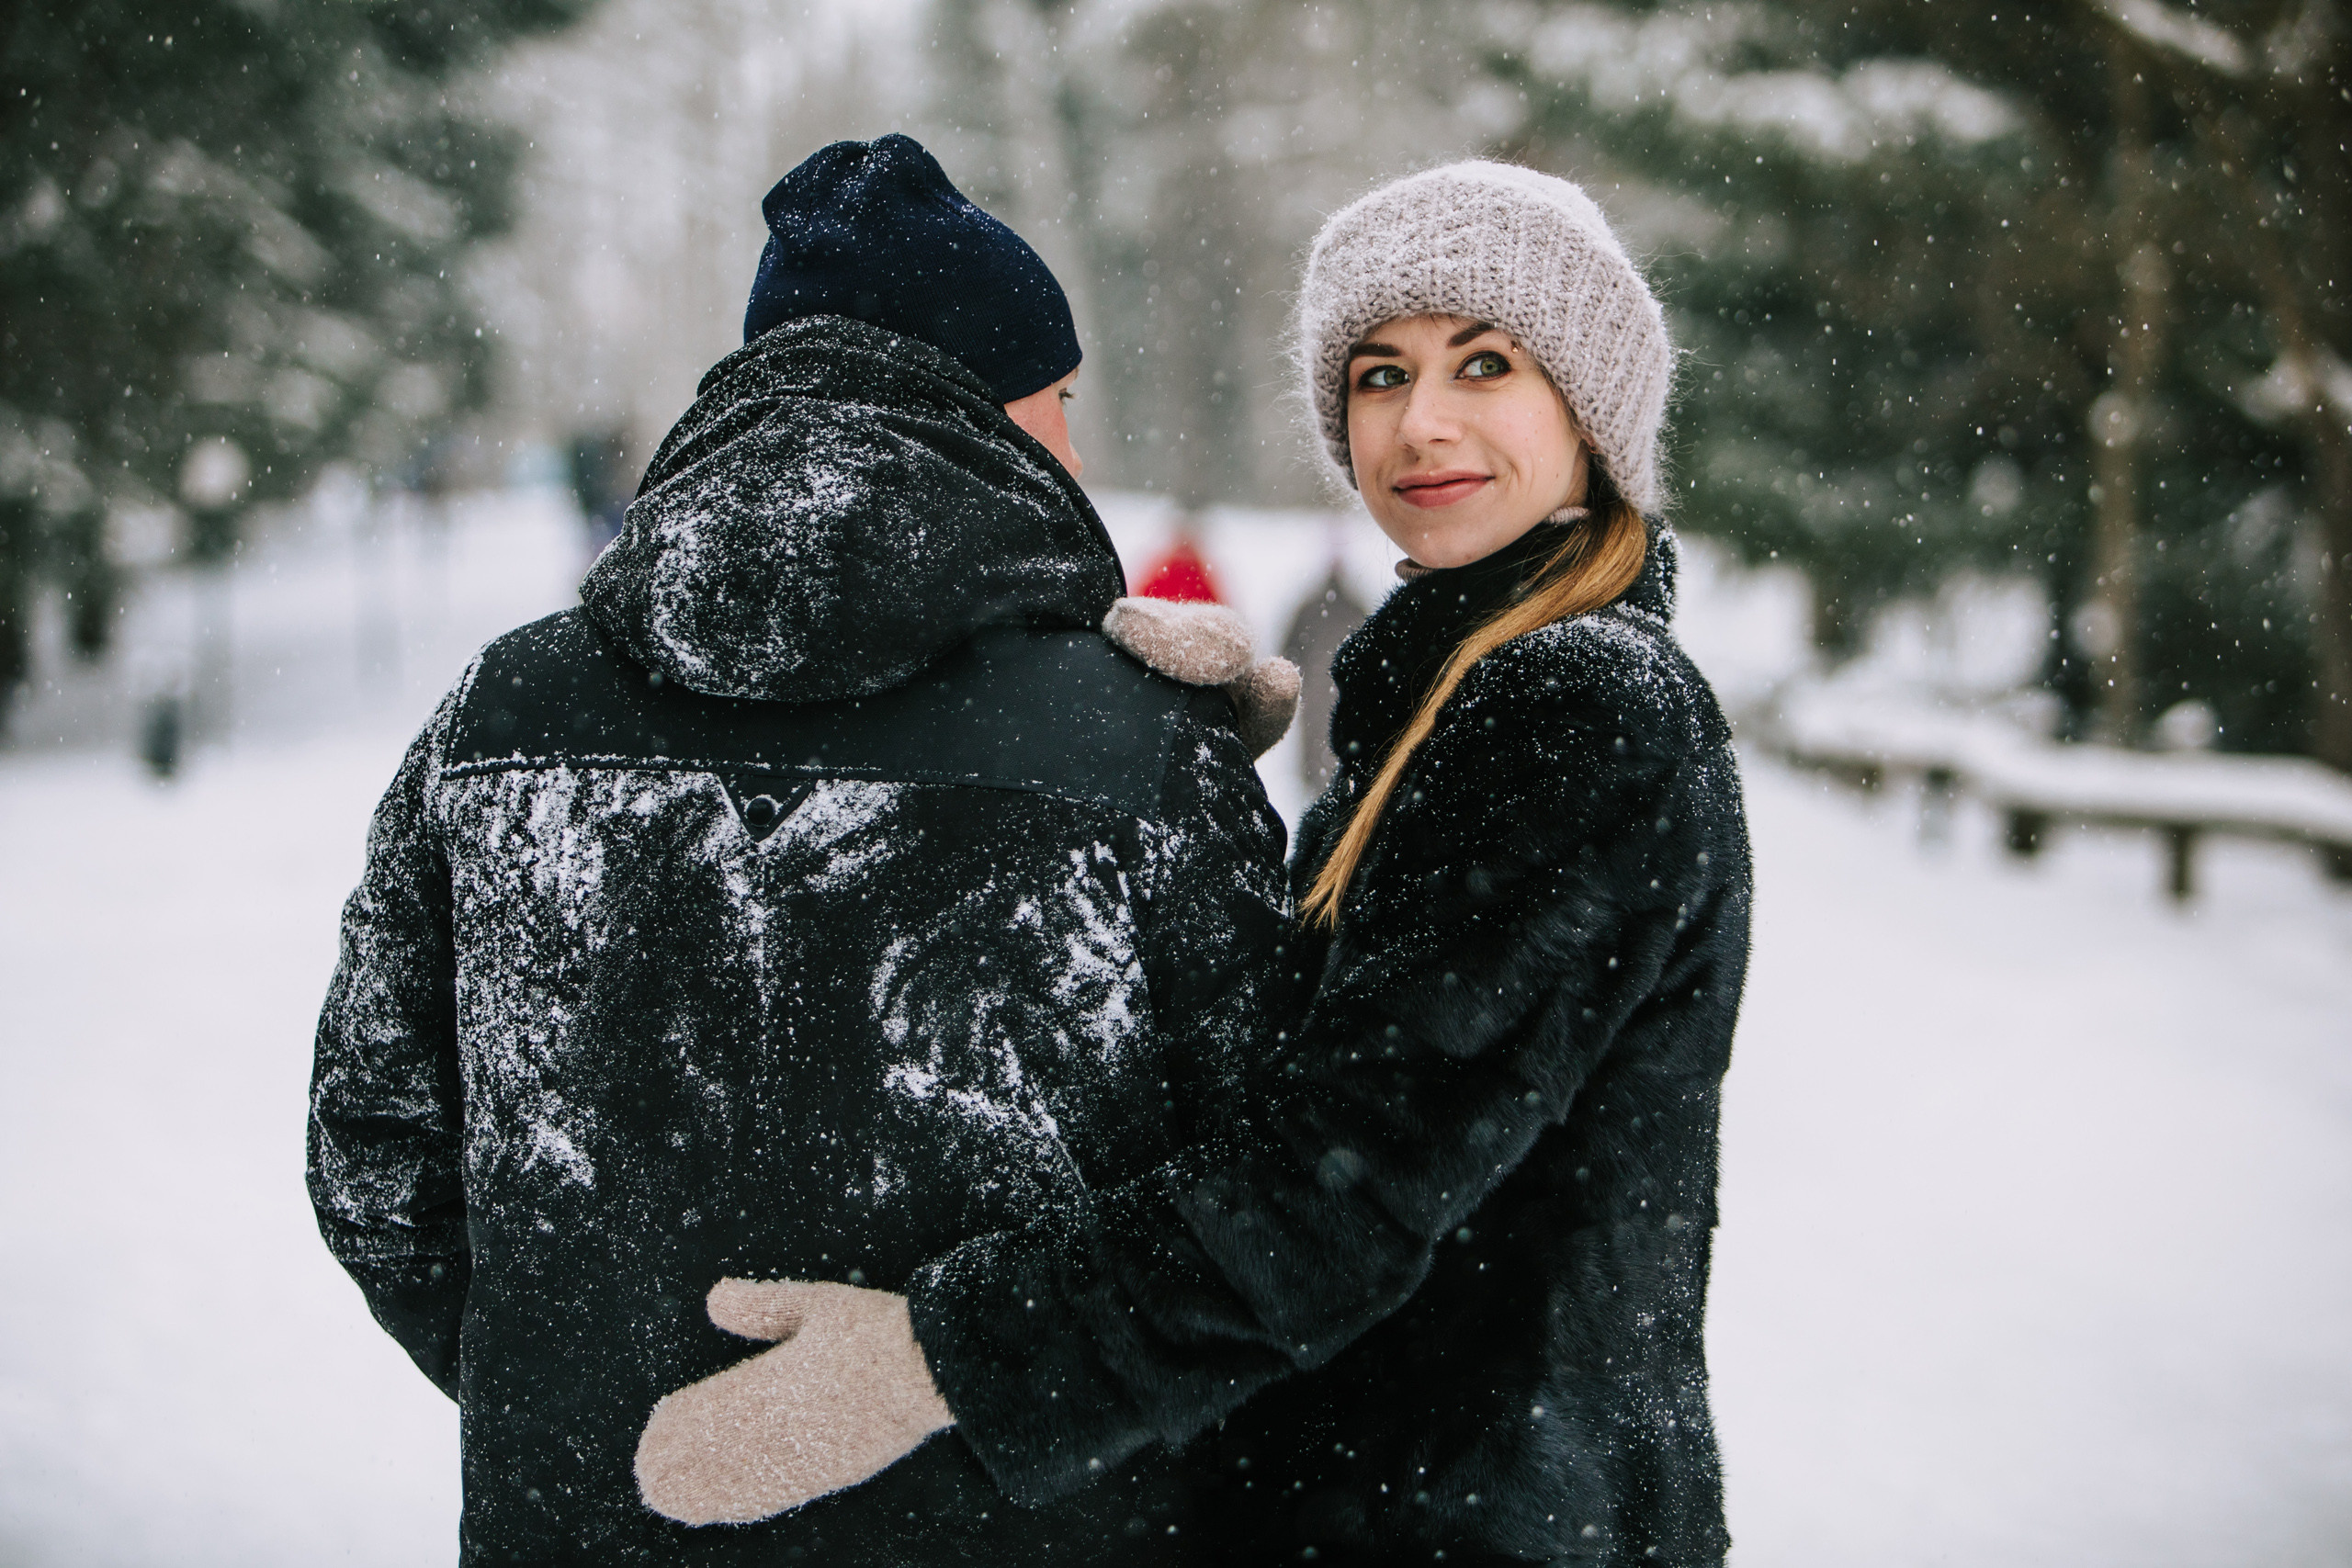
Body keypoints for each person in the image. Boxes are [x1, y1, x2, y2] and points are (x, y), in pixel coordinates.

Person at [654, 161, 1754, 1568]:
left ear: (1589, 403)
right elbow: (1350, 1051)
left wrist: (937, 1359)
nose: (1421, 422)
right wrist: (1203, 762)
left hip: (1470, 1518)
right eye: (1379, 374)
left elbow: (1337, 1185)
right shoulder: (1466, 689)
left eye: (1486, 364)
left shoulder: (1572, 704)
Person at [306, 132, 1298, 1565]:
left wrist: (577, 1390)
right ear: (977, 405)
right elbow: (1274, 1196)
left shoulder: (500, 714)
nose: (1076, 454)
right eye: (1061, 402)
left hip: (591, 1524)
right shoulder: (1138, 743)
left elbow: (375, 1156)